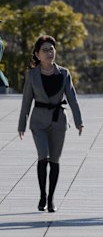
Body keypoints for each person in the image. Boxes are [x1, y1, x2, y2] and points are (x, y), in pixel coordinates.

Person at [17, 35, 84, 213]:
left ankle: (51, 198)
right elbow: (26, 101)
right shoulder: (32, 75)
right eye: (45, 50)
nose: (49, 53)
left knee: (54, 160)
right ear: (37, 55)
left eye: (51, 49)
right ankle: (42, 196)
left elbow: (72, 98)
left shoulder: (64, 73)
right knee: (43, 156)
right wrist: (21, 125)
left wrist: (79, 121)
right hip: (38, 121)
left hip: (58, 121)